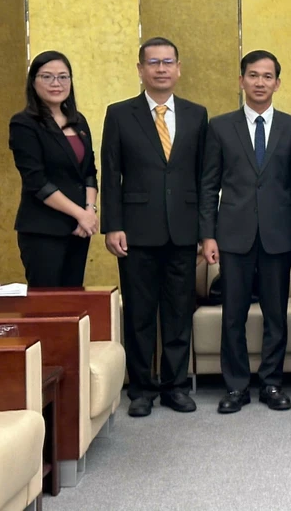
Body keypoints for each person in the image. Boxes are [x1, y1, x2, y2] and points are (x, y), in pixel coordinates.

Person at [101, 37, 208, 418]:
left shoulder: (197, 114)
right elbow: (110, 174)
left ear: (178, 68)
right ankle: (142, 389)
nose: (161, 69)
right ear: (140, 69)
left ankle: (176, 387)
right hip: (135, 230)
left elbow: (202, 178)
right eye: (153, 62)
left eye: (167, 62)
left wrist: (203, 230)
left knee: (179, 312)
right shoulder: (119, 113)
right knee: (140, 314)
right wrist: (112, 225)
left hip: (182, 230)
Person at [199, 50, 291, 414]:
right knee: (234, 314)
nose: (260, 82)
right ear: (241, 80)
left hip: (277, 234)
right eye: (253, 75)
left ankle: (273, 383)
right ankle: (236, 386)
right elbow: (208, 184)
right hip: (233, 234)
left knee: (275, 313)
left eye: (267, 76)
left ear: (277, 82)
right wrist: (208, 235)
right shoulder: (220, 126)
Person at [9, 51, 98, 288]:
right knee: (47, 307)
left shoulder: (78, 121)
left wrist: (89, 212)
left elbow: (89, 171)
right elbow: (36, 181)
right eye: (47, 77)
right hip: (43, 229)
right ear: (33, 81)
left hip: (79, 231)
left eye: (63, 77)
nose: (56, 83)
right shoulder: (24, 123)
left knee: (73, 304)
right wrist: (80, 214)